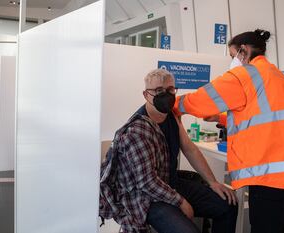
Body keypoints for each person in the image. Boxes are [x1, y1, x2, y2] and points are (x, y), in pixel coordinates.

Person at [174, 29, 284, 233]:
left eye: (233, 55)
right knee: (274, 224)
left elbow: (202, 99)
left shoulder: (244, 75)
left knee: (265, 227)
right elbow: (265, 116)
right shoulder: (277, 76)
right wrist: (222, 118)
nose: (233, 60)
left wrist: (173, 104)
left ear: (244, 50)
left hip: (267, 169)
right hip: (282, 167)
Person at [100, 69, 238, 233]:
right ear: (146, 95)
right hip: (146, 198)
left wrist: (213, 182)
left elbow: (189, 149)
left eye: (170, 90)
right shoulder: (137, 130)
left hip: (170, 184)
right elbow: (147, 182)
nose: (165, 95)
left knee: (228, 204)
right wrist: (181, 202)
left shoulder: (171, 115)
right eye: (158, 91)